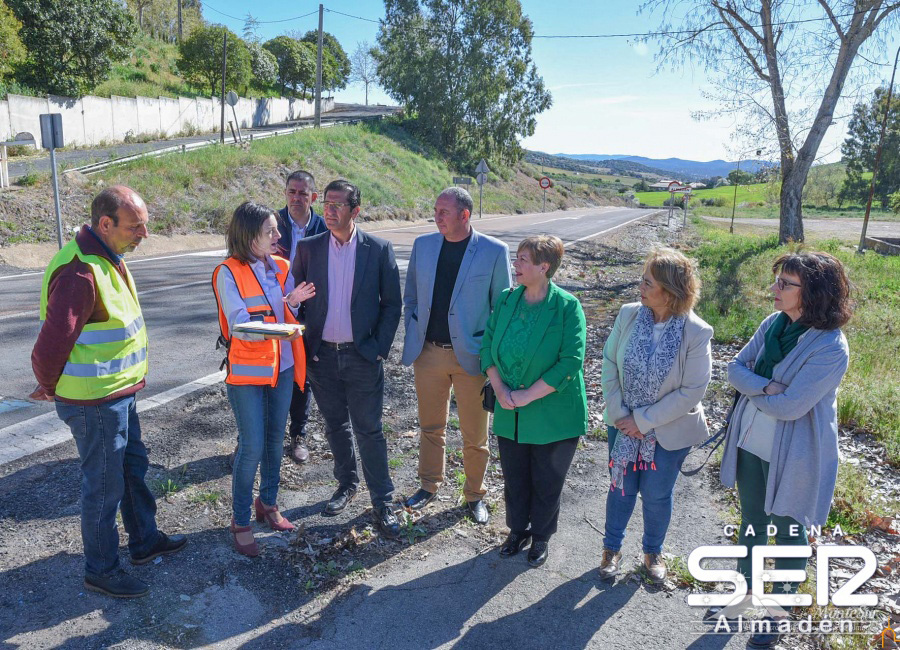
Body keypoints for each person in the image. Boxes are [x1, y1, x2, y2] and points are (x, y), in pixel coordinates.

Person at [30, 185, 186, 598]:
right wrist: (48, 385)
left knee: (132, 467)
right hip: (94, 401)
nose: (144, 234)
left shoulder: (106, 254)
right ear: (105, 223)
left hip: (117, 393)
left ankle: (144, 541)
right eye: (136, 227)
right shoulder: (80, 271)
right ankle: (101, 569)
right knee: (103, 485)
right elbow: (49, 346)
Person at [706, 251, 852, 649]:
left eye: (785, 284)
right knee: (752, 521)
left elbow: (792, 406)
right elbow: (734, 368)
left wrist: (754, 389)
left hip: (797, 454)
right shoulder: (772, 324)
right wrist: (766, 387)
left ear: (815, 292)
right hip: (752, 443)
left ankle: (777, 615)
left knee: (790, 532)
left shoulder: (830, 347)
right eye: (778, 281)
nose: (775, 289)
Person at [286, 179, 403, 537]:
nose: (330, 210)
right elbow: (295, 299)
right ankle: (346, 484)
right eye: (327, 203)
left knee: (369, 430)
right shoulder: (308, 248)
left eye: (339, 205)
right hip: (323, 358)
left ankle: (383, 501)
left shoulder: (378, 249)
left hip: (361, 357)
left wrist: (376, 349)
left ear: (355, 210)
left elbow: (392, 304)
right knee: (335, 427)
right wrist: (309, 343)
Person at [598, 247, 712, 585]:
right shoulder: (628, 314)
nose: (641, 287)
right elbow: (609, 364)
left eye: (648, 283)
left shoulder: (696, 332)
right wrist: (621, 414)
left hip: (668, 431)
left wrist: (643, 421)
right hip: (622, 423)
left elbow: (692, 391)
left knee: (658, 494)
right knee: (620, 488)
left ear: (671, 291)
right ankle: (611, 549)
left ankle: (652, 552)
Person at [401, 187, 512, 524]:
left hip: (473, 359)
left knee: (475, 435)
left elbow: (501, 309)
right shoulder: (423, 246)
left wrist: (490, 356)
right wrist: (415, 331)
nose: (437, 217)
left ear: (465, 215)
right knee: (430, 426)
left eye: (444, 212)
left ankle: (475, 495)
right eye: (435, 210)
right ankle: (429, 484)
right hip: (429, 355)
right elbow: (412, 299)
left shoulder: (494, 251)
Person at [212, 201, 315, 556]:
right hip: (248, 374)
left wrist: (293, 302)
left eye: (277, 229)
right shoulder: (228, 271)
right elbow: (240, 323)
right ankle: (241, 520)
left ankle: (268, 504)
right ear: (248, 234)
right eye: (270, 230)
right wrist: (281, 325)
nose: (279, 235)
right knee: (252, 446)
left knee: (274, 442)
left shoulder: (283, 266)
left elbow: (283, 309)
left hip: (283, 367)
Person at [479, 235, 587, 567]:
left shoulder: (567, 306)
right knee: (515, 476)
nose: (516, 265)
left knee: (547, 478)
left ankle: (541, 535)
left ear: (544, 266)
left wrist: (525, 395)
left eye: (523, 260)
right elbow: (487, 348)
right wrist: (499, 390)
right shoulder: (508, 299)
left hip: (552, 413)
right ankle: (517, 530)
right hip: (509, 408)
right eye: (517, 258)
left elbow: (571, 361)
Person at [276, 170, 328, 464]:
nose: (296, 198)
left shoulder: (323, 226)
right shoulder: (271, 223)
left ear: (313, 197)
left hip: (307, 312)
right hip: (273, 310)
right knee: (264, 376)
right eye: (291, 192)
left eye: (303, 193)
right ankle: (250, 439)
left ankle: (298, 435)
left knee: (300, 377)